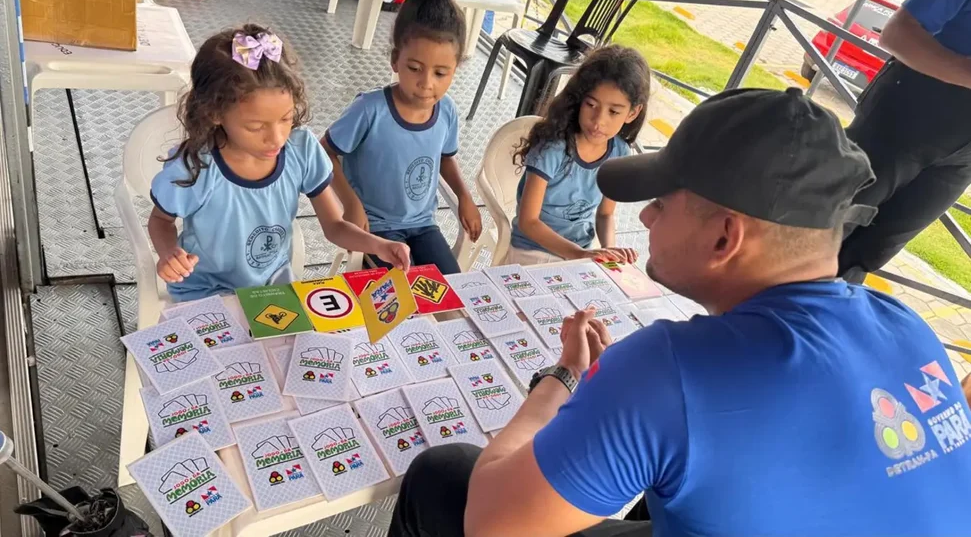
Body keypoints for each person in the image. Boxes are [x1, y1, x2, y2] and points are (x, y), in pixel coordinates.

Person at [390, 88, 971, 537]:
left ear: (725, 238)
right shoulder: (908, 326)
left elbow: (490, 523)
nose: (644, 218)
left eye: (662, 204)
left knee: (443, 475)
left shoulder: (666, 369)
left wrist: (561, 378)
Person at [149, 25, 410, 302]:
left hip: (272, 286)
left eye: (286, 119)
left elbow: (334, 225)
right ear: (214, 113)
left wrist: (379, 245)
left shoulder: (301, 149)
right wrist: (168, 253)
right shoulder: (196, 166)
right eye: (255, 126)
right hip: (204, 290)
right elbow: (161, 220)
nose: (276, 138)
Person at [322, 0, 481, 275]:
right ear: (396, 59)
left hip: (423, 225)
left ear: (455, 68)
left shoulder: (446, 110)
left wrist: (465, 197)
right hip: (374, 229)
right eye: (415, 68)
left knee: (451, 288)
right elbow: (324, 153)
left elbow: (445, 158)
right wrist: (350, 203)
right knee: (396, 295)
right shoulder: (370, 109)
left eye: (440, 73)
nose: (426, 83)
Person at [838, 0, 971, 282]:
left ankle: (812, 310)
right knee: (822, 223)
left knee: (871, 252)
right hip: (912, 111)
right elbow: (896, 34)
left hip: (962, 156)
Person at [505, 45, 649, 266]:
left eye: (613, 112)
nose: (599, 121)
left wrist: (610, 250)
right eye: (591, 104)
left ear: (633, 112)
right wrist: (578, 254)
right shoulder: (552, 148)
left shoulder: (619, 152)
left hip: (580, 252)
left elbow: (605, 214)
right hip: (532, 249)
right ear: (579, 99)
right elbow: (528, 222)